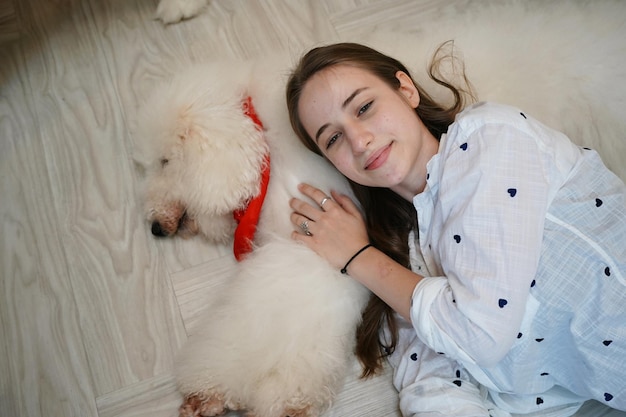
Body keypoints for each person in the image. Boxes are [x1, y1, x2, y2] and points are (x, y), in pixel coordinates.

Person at [285, 42, 626, 416]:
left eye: (364, 107)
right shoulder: (404, 262)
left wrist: (358, 257)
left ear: (406, 90)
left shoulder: (489, 138)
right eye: (332, 138)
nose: (359, 140)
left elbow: (481, 334)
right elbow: (432, 385)